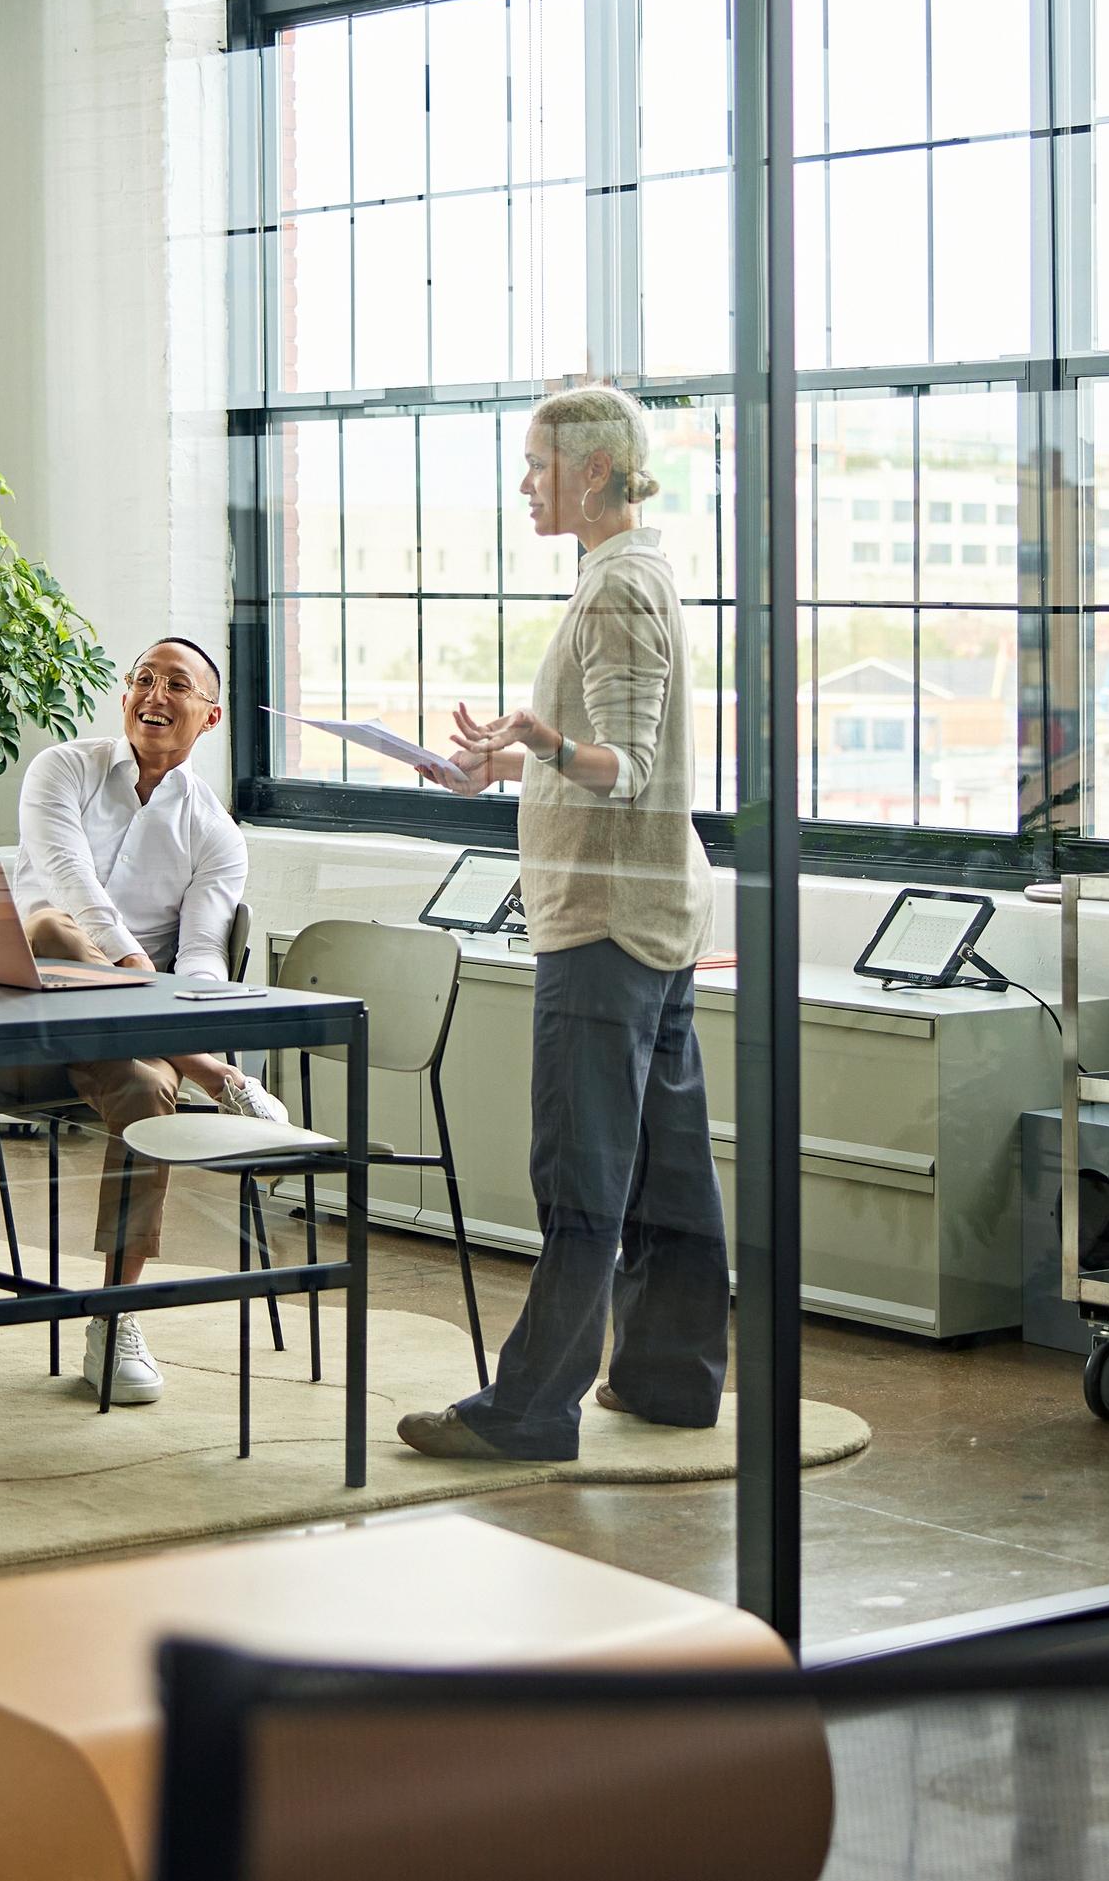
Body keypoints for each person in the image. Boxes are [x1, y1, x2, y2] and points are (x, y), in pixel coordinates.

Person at [397, 385, 726, 1461]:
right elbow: (615, 753)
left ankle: (531, 1409)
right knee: (669, 1162)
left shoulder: (614, 591)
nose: (524, 483)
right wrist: (505, 758)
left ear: (592, 469)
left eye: (536, 462)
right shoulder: (636, 573)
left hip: (603, 924)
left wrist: (539, 743)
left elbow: (622, 770)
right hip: (655, 911)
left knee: (579, 1174)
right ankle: (669, 1379)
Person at [0, 634, 286, 1408]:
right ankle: (217, 1076)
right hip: (23, 1026)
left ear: (210, 714)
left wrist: (158, 1005)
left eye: (176, 685)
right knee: (56, 926)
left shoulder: (216, 834)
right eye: (141, 680)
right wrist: (131, 967)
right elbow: (69, 883)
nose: (153, 695)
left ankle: (114, 1317)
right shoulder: (62, 769)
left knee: (146, 1092)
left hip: (127, 1040)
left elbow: (199, 962)